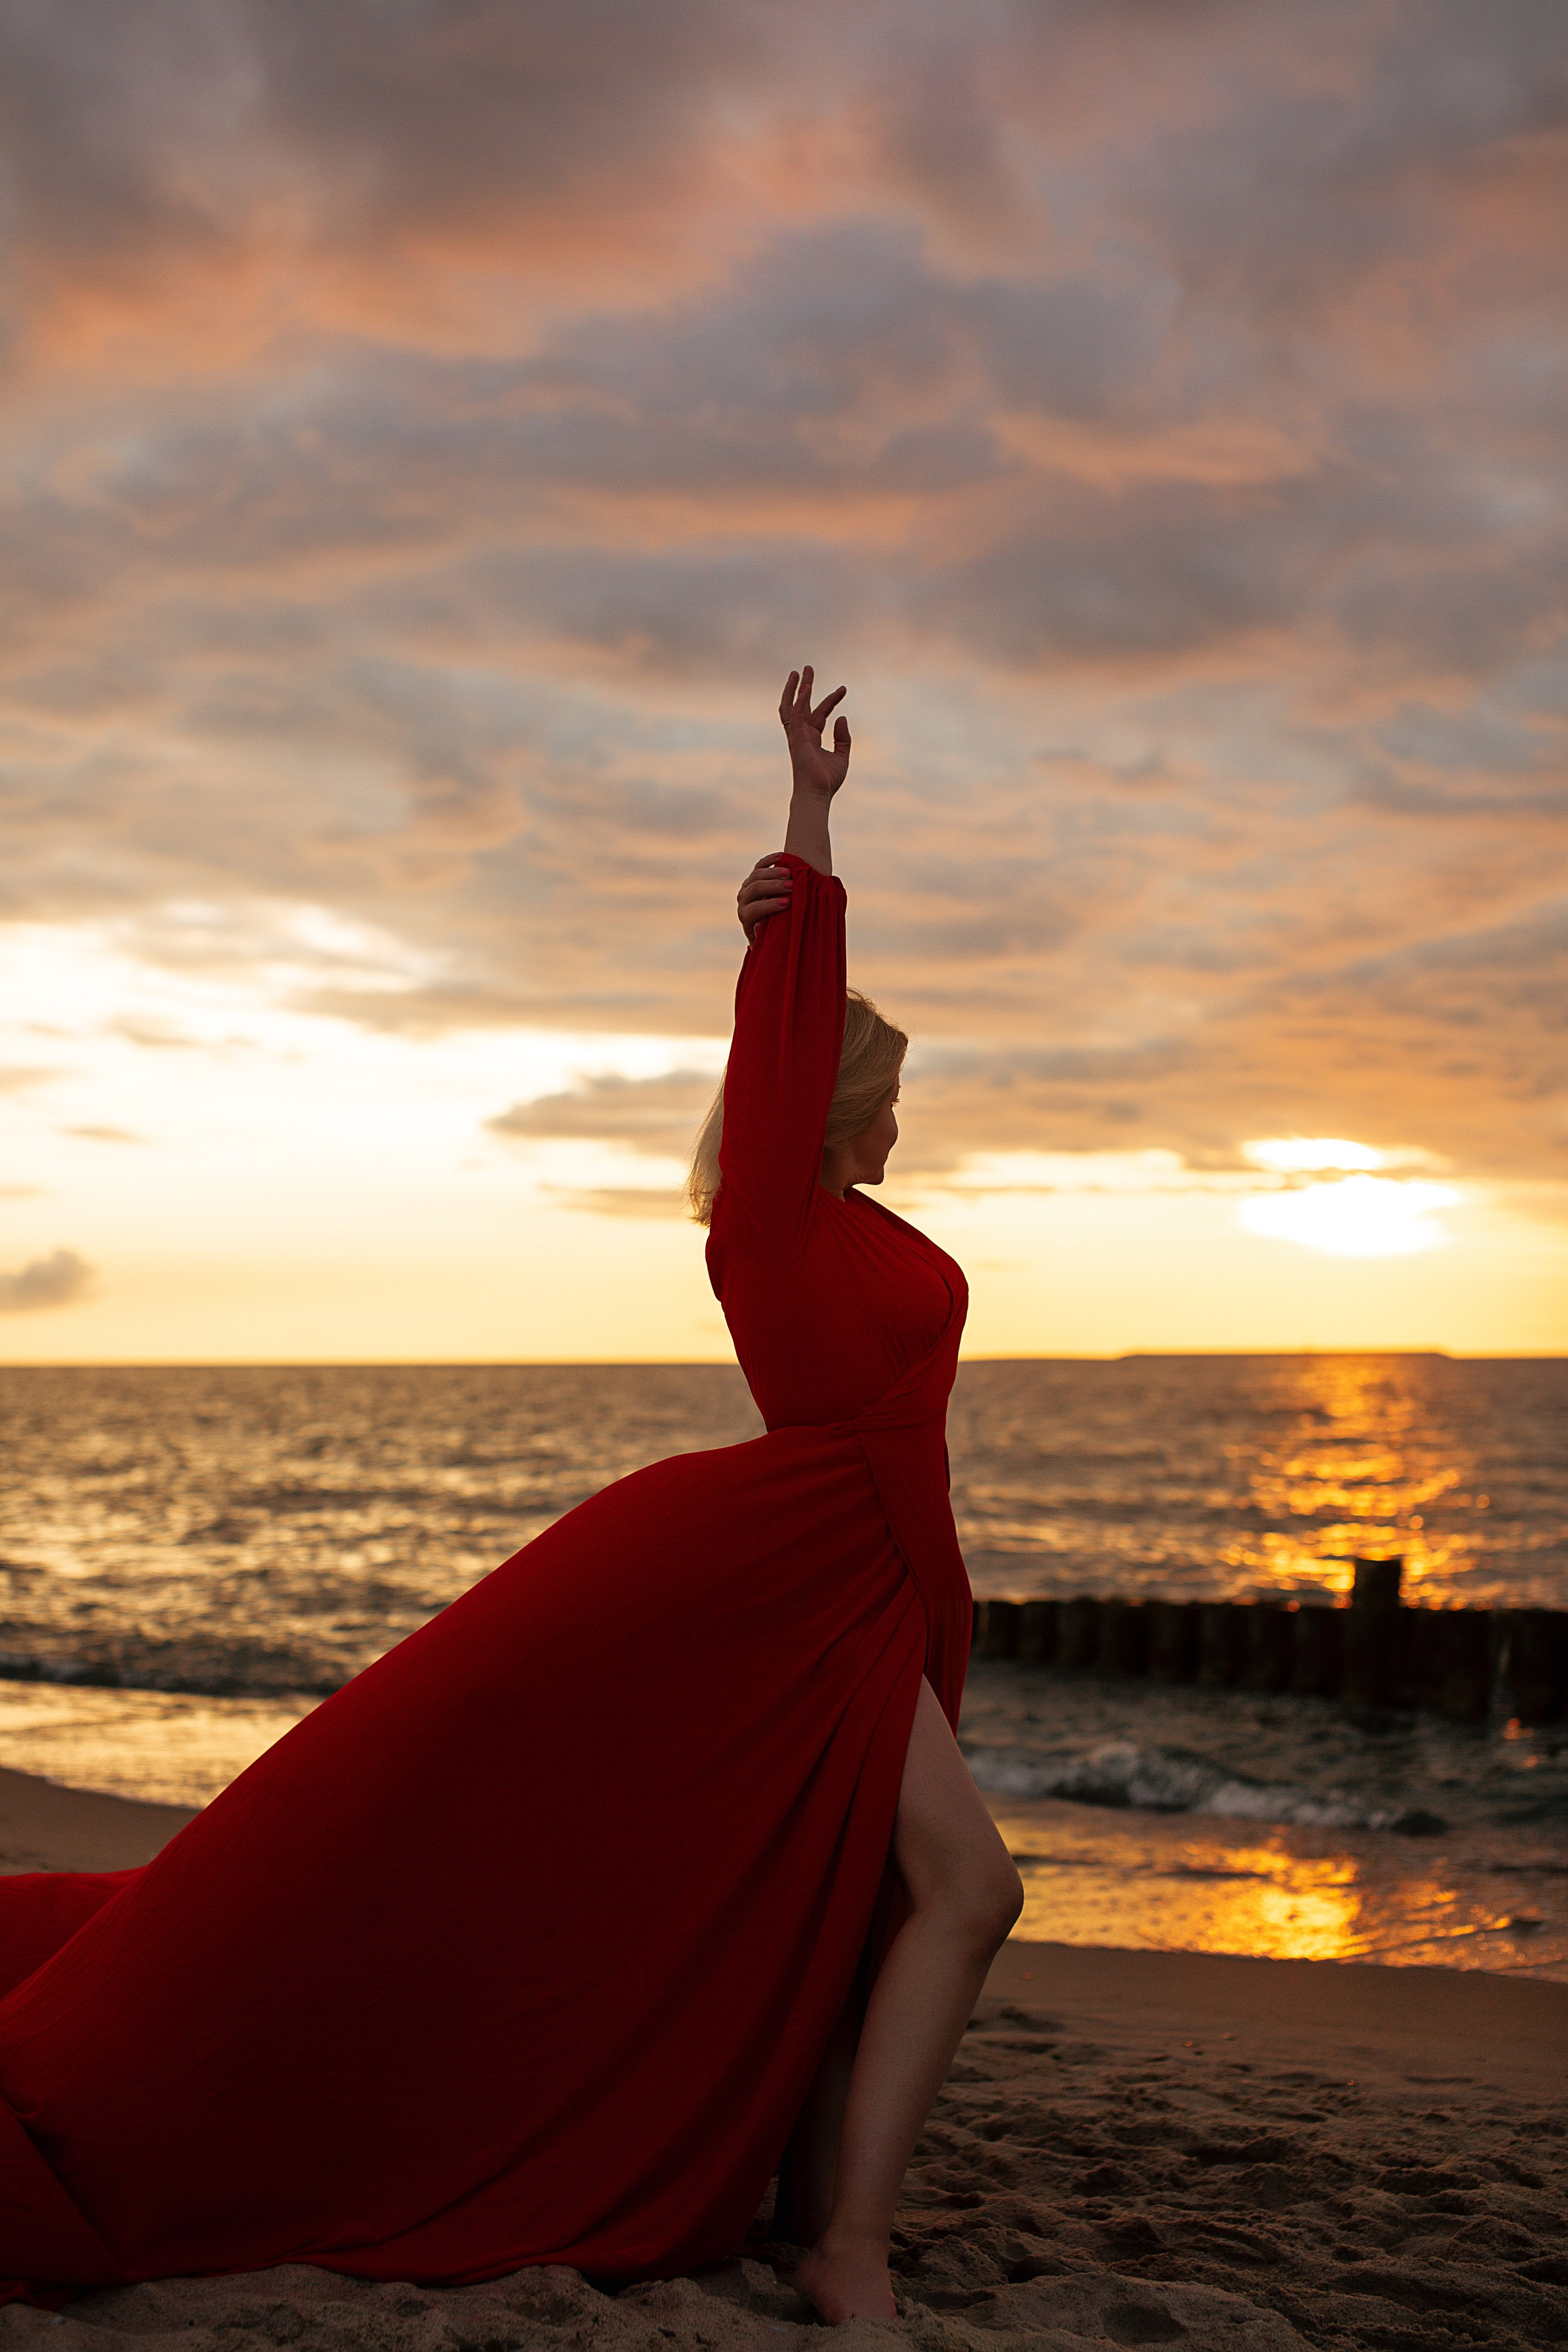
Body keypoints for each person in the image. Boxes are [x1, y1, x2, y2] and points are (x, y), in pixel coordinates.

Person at [0, 668, 1021, 2328]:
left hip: (868, 1577)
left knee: (881, 1900)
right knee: (973, 1887)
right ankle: (849, 2249)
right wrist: (807, 836)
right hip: (780, 1573)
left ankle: (827, 2208)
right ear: (829, 1097)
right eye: (885, 1088)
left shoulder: (866, 1229)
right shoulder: (771, 1225)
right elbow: (780, 1050)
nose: (901, 1112)